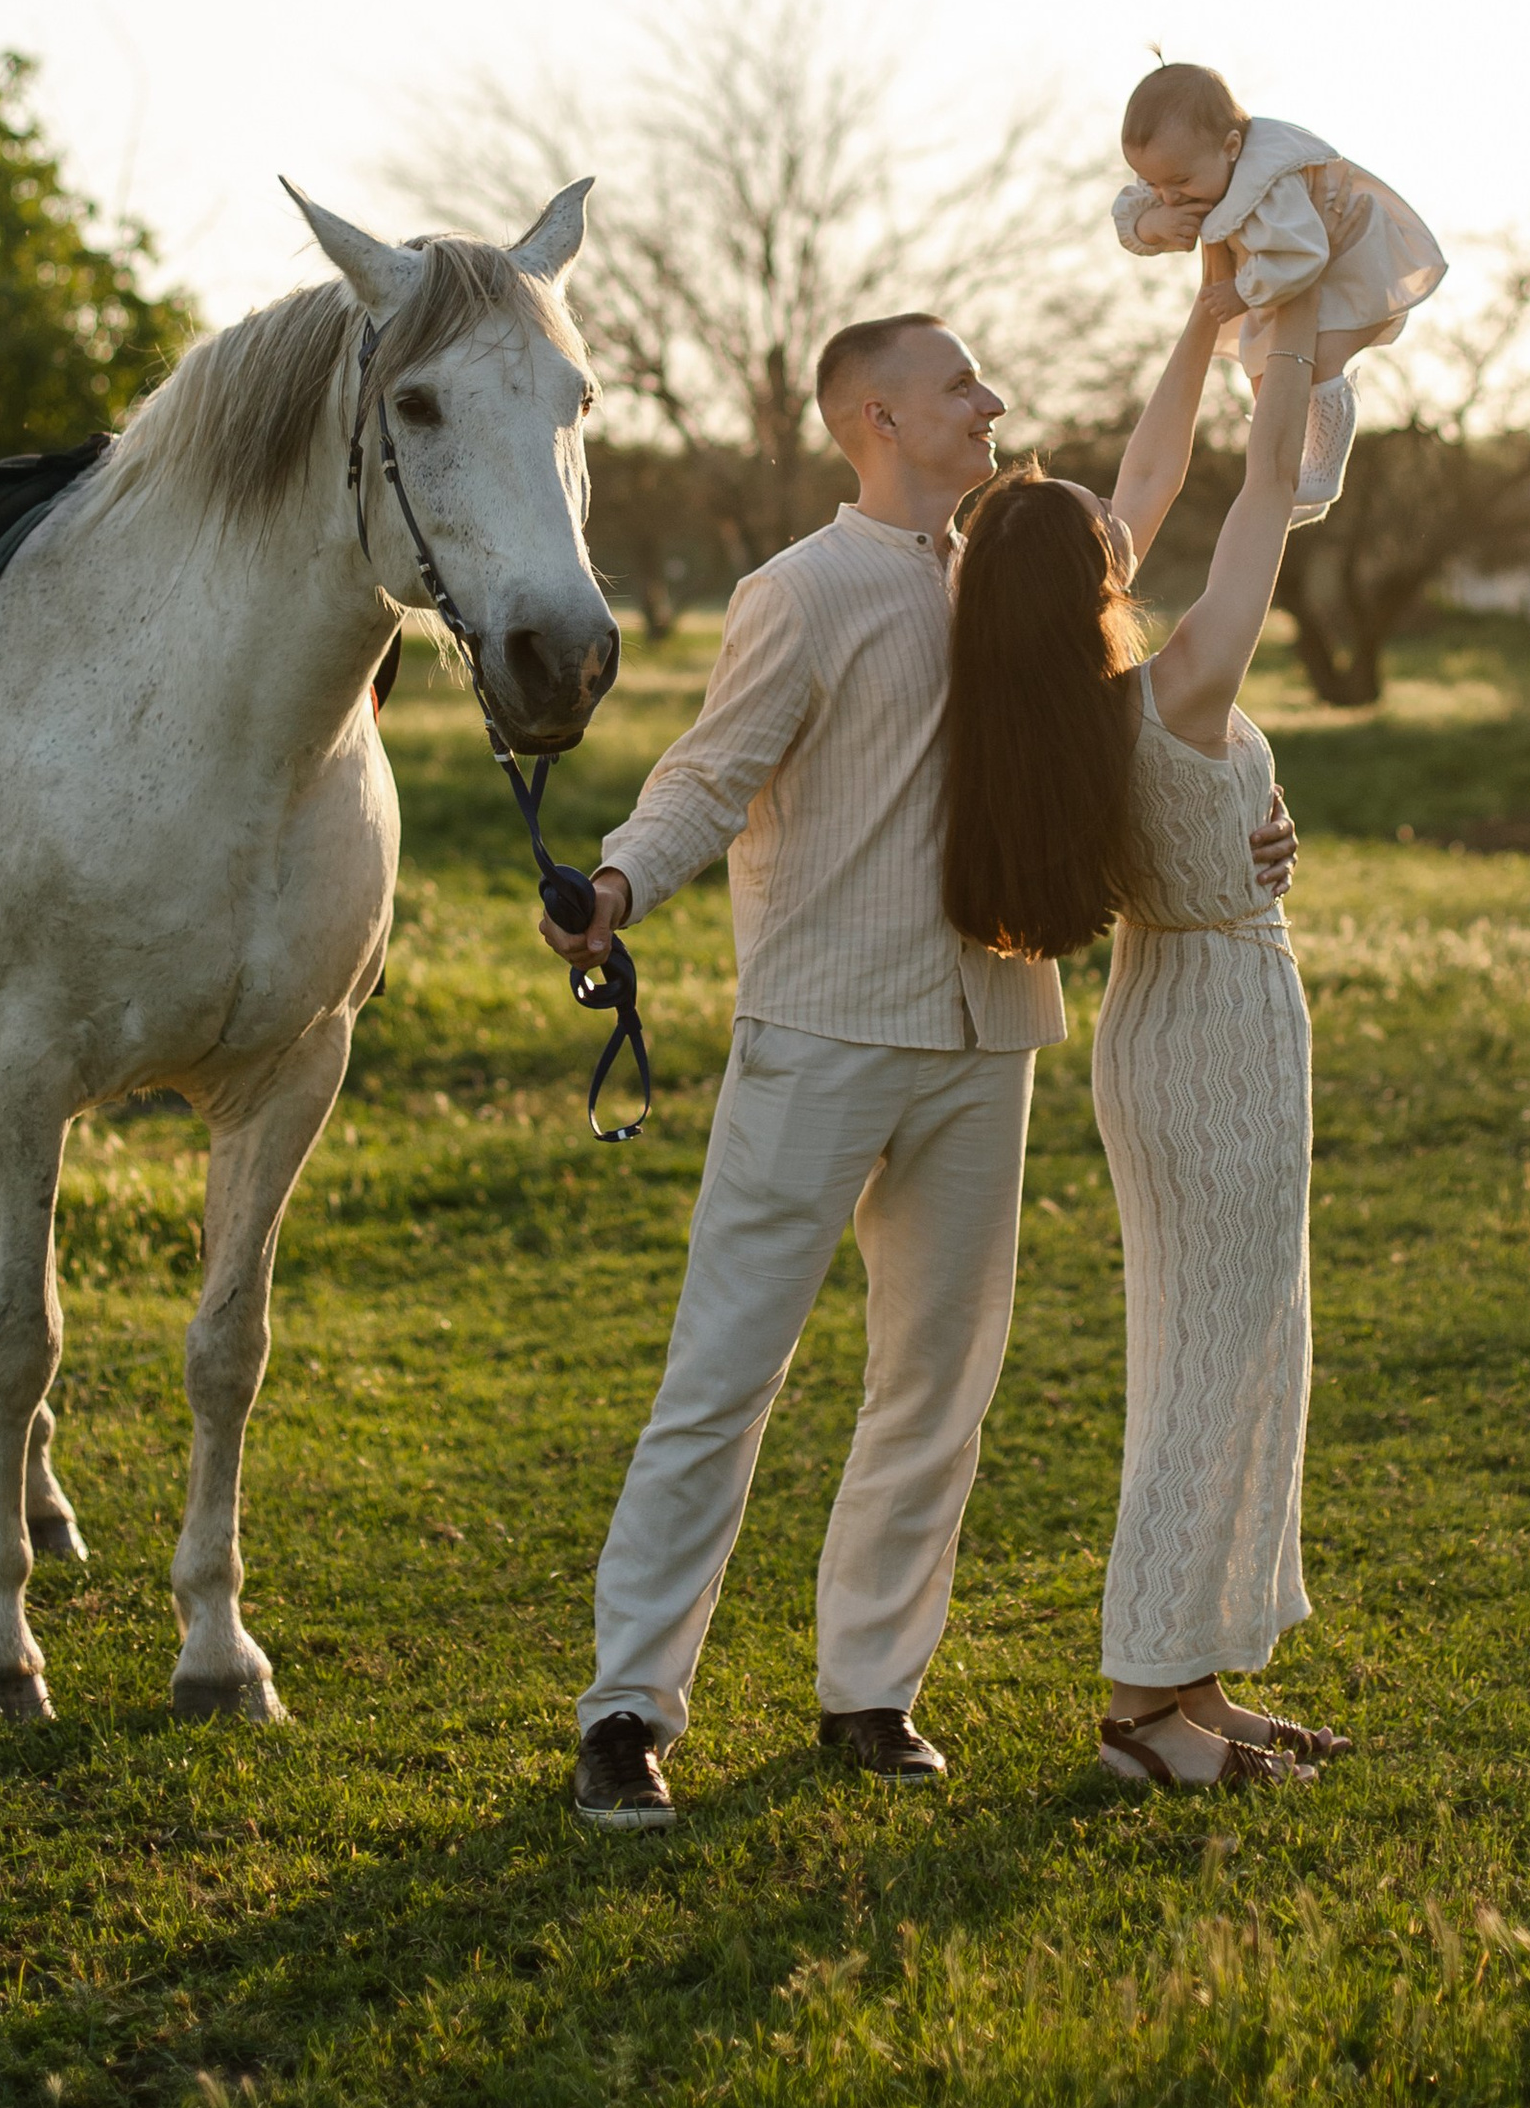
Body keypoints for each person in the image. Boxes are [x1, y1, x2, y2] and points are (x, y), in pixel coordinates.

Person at [546, 302, 1298, 1833]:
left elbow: (1150, 494)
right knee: (723, 1379)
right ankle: (629, 1708)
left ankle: (870, 1692)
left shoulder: (1017, 572)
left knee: (936, 1387)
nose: (992, 398)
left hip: (992, 1033)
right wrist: (618, 888)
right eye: (960, 384)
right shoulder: (802, 591)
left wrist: (1213, 312)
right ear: (875, 417)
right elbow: (713, 770)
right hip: (821, 1035)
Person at [943, 251, 1347, 1791]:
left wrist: (1203, 312)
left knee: (1225, 1347)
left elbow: (1161, 474)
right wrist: (1288, 340)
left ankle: (1193, 1683)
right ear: (1092, 584)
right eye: (1105, 541)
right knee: (1208, 1364)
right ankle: (1137, 1712)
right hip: (1216, 1034)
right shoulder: (1176, 686)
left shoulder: (1054, 708)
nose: (1129, 533)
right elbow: (1248, 504)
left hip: (1170, 1021)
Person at [1112, 57, 1445, 521]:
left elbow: (1302, 252)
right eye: (1153, 182)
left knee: (1322, 358)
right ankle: (1289, 480)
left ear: (1231, 147)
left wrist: (1243, 292)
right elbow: (1132, 210)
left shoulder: (1270, 184)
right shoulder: (1184, 168)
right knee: (1266, 375)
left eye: (1179, 183)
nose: (1168, 195)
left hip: (1353, 260)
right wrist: (1151, 221)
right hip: (1281, 274)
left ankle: (1323, 473)